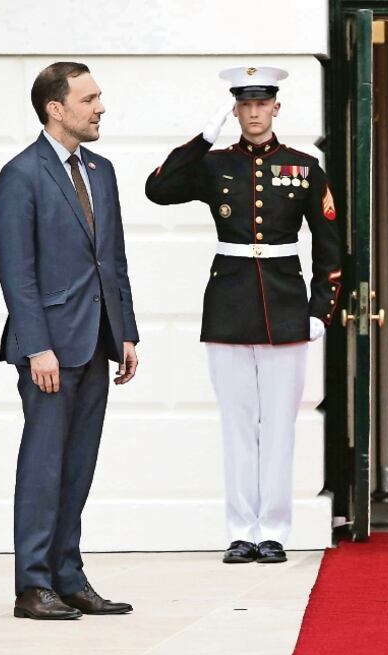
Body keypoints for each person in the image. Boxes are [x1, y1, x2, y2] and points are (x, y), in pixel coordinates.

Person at [145, 65, 342, 565]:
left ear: (277, 107)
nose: (254, 112)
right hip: (229, 303)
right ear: (234, 110)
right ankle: (240, 531)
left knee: (278, 426)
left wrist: (321, 309)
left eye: (262, 103)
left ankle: (272, 530)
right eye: (245, 104)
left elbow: (330, 245)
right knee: (236, 425)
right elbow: (158, 188)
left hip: (285, 305)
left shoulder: (303, 167)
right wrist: (203, 138)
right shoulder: (213, 164)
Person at [0, 62, 138, 619]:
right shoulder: (21, 174)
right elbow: (17, 271)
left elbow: (113, 260)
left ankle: (68, 578)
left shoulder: (101, 170)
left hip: (97, 341)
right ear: (56, 108)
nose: (100, 108)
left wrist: (125, 333)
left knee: (77, 466)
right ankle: (33, 585)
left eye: (99, 97)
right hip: (48, 349)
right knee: (44, 466)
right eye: (89, 99)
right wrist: (37, 347)